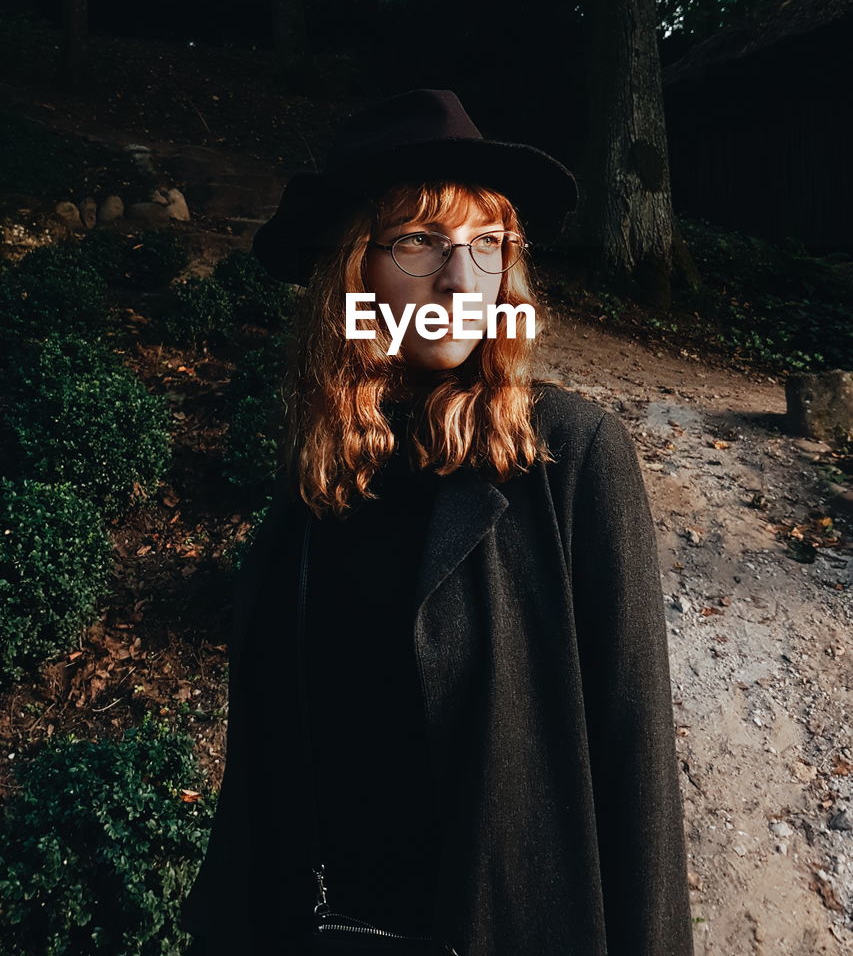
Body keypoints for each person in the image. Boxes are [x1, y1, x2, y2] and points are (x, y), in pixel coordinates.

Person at [180, 89, 695, 956]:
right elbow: (264, 774)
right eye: (419, 242)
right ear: (352, 267)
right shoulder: (315, 476)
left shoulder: (571, 458)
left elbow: (636, 778)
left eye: (486, 245)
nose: (462, 281)